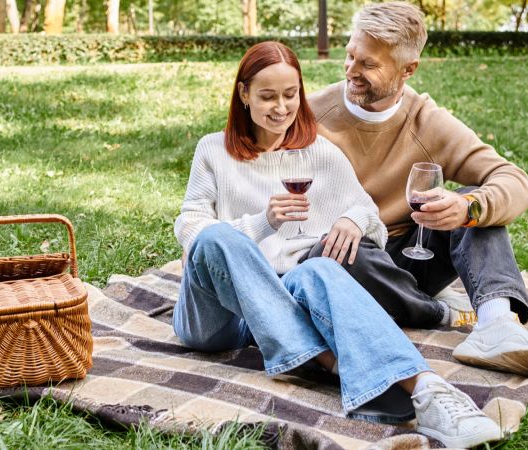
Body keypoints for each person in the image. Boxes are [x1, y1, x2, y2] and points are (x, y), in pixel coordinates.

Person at [173, 41, 501, 448]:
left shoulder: (320, 154)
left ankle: (431, 392)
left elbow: (368, 214)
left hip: (279, 304)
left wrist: (351, 218)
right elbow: (190, 226)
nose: (281, 107)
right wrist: (262, 223)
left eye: (290, 95)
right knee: (217, 236)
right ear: (243, 94)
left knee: (322, 269)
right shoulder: (213, 150)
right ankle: (334, 362)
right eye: (267, 96)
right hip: (216, 316)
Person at [306, 2, 528, 376]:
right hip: (346, 259)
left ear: (408, 69)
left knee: (474, 202)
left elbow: (514, 182)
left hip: (415, 257)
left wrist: (469, 209)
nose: (351, 70)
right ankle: (439, 312)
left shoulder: (428, 121)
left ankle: (496, 326)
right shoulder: (309, 114)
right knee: (330, 253)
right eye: (350, 56)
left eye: (369, 64)